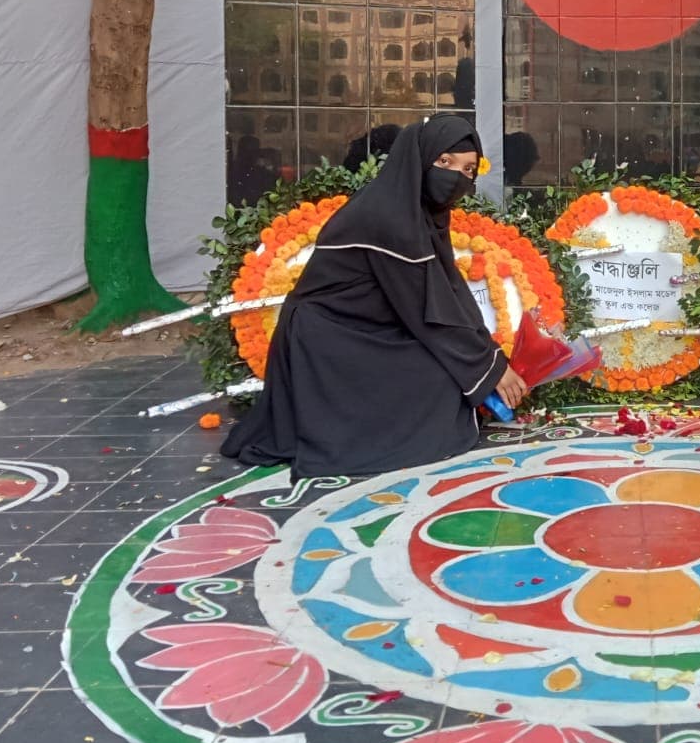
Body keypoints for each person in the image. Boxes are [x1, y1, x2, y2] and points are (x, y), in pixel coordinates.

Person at [222, 115, 528, 478]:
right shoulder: (389, 218)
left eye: (467, 169)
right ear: (420, 158)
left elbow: (448, 290)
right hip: (327, 340)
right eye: (444, 162)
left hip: (367, 327)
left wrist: (489, 356)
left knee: (446, 371)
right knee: (440, 379)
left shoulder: (420, 212)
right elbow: (425, 311)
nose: (454, 176)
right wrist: (487, 367)